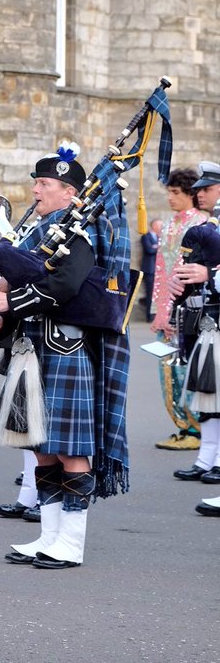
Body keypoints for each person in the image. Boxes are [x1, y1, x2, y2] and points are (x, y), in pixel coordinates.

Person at [0, 143, 130, 568]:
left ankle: (72, 543)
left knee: (70, 448)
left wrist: (10, 302)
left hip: (66, 348)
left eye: (44, 184)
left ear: (70, 193)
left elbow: (64, 287)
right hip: (32, 348)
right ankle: (48, 535)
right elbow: (23, 292)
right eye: (36, 183)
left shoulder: (80, 232)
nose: (36, 191)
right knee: (41, 445)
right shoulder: (34, 234)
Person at [168, 163, 220, 485]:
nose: (199, 193)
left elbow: (210, 271)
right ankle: (206, 457)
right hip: (207, 317)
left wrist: (210, 275)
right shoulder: (210, 225)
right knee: (208, 393)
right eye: (198, 188)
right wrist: (181, 286)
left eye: (207, 188)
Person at [151, 168, 205, 450]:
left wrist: (173, 310)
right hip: (167, 309)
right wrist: (158, 310)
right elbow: (160, 270)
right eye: (169, 192)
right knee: (168, 372)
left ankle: (198, 429)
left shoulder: (202, 224)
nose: (170, 198)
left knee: (190, 370)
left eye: (176, 193)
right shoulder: (170, 225)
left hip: (189, 310)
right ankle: (182, 426)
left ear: (191, 194)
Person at [140, 220, 161, 321]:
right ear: (154, 226)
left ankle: (156, 314)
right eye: (159, 225)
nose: (161, 227)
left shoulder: (159, 237)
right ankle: (149, 316)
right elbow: (149, 250)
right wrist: (158, 247)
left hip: (158, 270)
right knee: (150, 294)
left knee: (157, 294)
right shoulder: (146, 236)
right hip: (149, 270)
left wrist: (156, 247)